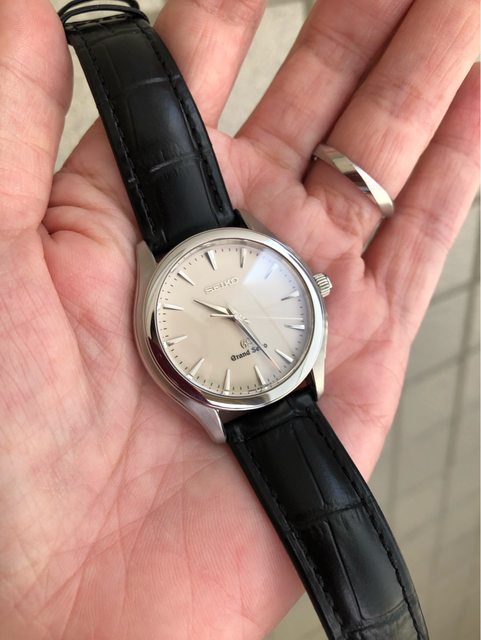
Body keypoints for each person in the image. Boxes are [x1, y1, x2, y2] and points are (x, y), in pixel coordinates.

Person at [0, 0, 478, 637]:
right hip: (226, 383)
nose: (227, 311)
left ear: (309, 288)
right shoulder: (175, 321)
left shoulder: (267, 270)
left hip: (274, 362)